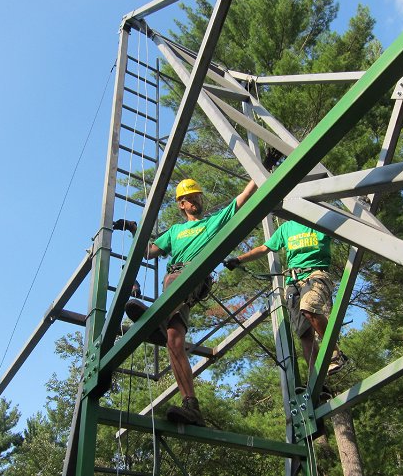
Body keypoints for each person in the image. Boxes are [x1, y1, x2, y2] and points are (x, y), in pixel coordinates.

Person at [114, 177, 257, 426]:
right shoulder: (174, 232)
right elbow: (148, 252)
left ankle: (155, 322)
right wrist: (134, 228)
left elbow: (241, 199)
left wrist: (261, 170)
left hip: (193, 276)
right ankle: (191, 405)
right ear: (181, 204)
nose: (197, 200)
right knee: (173, 342)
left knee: (174, 281)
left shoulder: (211, 224)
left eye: (198, 196)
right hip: (175, 285)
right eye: (191, 198)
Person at [224, 220, 348, 382]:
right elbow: (263, 248)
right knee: (304, 333)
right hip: (293, 281)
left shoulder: (320, 220)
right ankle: (316, 379)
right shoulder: (287, 227)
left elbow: (346, 226)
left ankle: (334, 353)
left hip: (316, 274)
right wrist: (239, 259)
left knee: (309, 307)